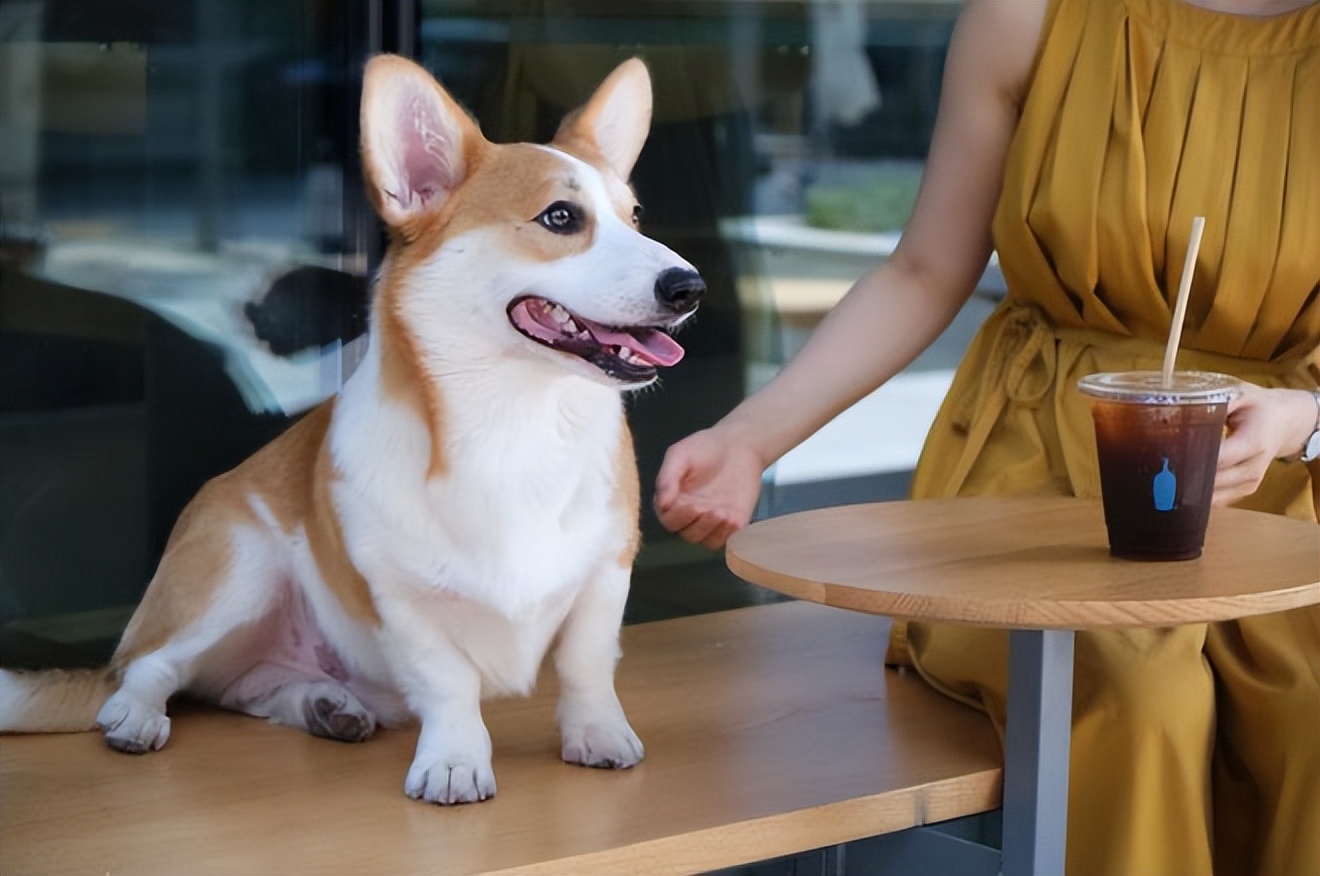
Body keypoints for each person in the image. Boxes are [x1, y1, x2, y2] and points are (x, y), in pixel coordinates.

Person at [653, 0, 1320, 873]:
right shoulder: (1030, 16)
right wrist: (751, 436)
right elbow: (924, 269)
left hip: (1275, 474)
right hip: (1042, 464)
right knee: (1136, 694)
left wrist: (1301, 417)